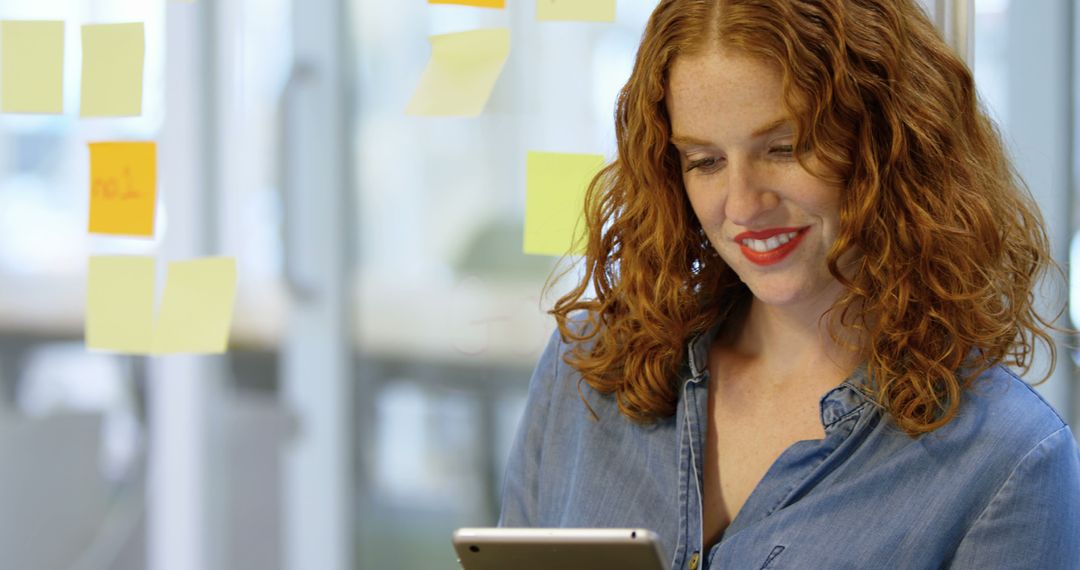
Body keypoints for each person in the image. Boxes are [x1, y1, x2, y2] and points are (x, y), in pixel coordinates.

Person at [498, 0, 1080, 568]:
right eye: (704, 161)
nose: (744, 205)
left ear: (888, 145)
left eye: (785, 148)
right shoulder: (587, 365)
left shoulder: (1009, 462)